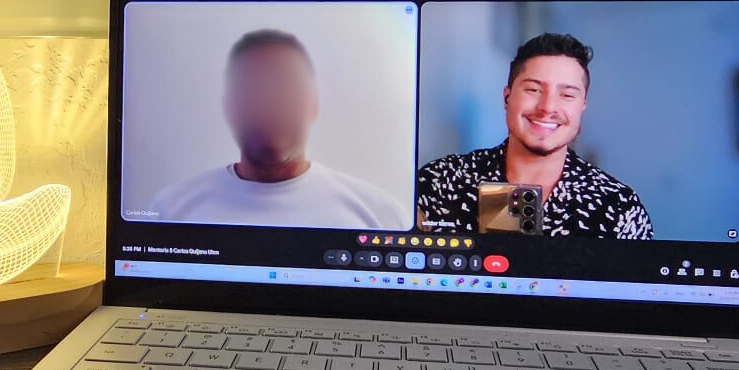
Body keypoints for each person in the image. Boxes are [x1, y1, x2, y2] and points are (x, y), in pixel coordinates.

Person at [147, 29, 410, 228]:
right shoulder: (169, 210)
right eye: (254, 88)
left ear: (312, 106)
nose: (270, 103)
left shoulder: (381, 217)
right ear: (230, 108)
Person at [416, 30, 653, 238]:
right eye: (533, 89)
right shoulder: (439, 182)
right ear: (507, 97)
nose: (547, 107)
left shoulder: (619, 207)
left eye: (567, 95)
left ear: (582, 106)